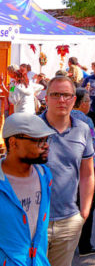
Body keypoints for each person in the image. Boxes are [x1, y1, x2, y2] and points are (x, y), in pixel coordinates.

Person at [41, 76, 95, 266]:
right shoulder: (32, 130)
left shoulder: (82, 129)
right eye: (55, 95)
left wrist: (84, 213)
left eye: (66, 95)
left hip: (68, 221)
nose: (61, 100)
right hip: (34, 222)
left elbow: (88, 172)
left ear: (74, 99)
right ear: (46, 98)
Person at [0, 113, 56, 266]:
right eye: (38, 140)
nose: (46, 145)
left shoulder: (45, 176)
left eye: (46, 139)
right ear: (13, 142)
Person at [71, 88, 95, 257]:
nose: (89, 104)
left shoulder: (64, 117)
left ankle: (71, 242)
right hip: (88, 168)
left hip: (69, 168)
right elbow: (93, 145)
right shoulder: (85, 120)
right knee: (87, 205)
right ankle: (84, 244)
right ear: (81, 103)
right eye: (88, 101)